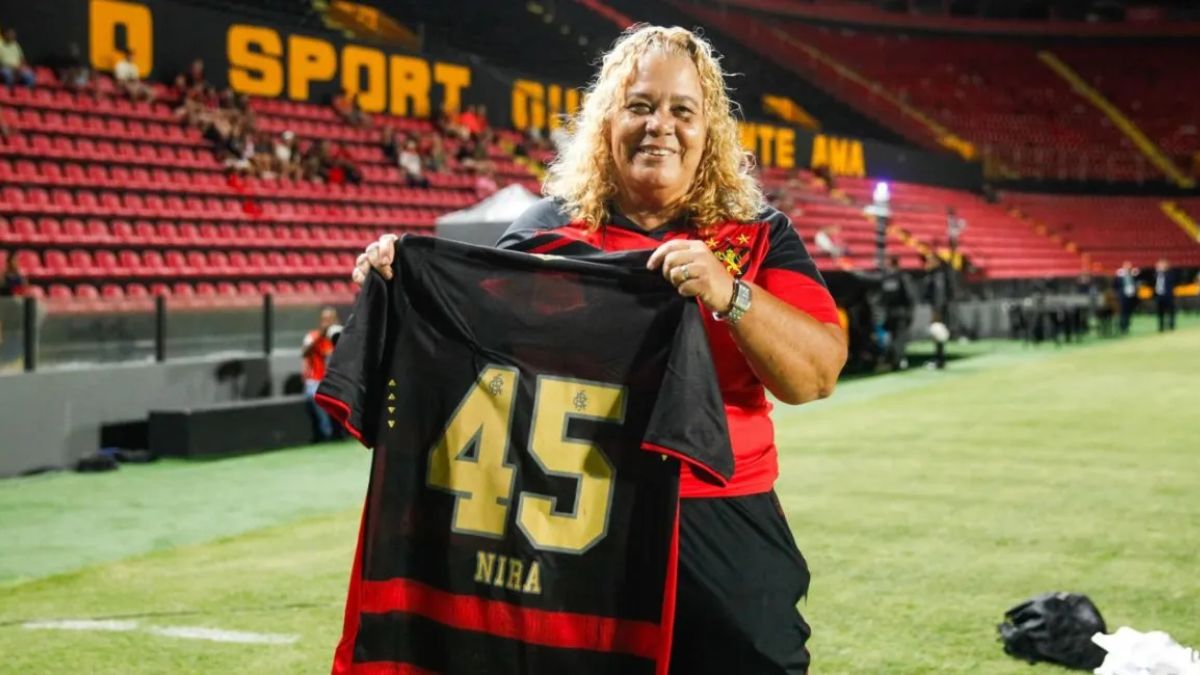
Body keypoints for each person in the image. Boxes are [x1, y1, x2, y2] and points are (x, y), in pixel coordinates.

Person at [351, 25, 847, 674]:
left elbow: (815, 374)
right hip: (574, 522)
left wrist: (730, 292)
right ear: (606, 120)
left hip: (717, 511)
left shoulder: (756, 237)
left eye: (682, 110)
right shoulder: (544, 235)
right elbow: (469, 356)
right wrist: (399, 285)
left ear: (710, 131)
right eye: (639, 105)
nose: (659, 126)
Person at [302, 307, 340, 442]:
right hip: (316, 380)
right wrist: (320, 336)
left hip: (336, 379)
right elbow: (304, 353)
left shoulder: (339, 336)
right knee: (314, 394)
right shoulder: (312, 336)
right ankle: (327, 433)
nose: (328, 323)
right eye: (325, 320)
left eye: (331, 320)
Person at [880, 255, 917, 369]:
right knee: (898, 337)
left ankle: (896, 360)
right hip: (896, 312)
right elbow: (910, 297)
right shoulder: (899, 277)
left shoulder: (891, 278)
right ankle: (897, 361)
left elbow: (909, 296)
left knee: (896, 337)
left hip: (895, 311)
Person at [1152, 258, 1177, 332]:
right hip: (1159, 296)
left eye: (1162, 265)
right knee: (1160, 312)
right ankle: (1161, 327)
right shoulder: (1155, 274)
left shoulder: (1170, 274)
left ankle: (1171, 325)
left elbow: (1174, 283)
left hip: (1168, 296)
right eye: (1159, 265)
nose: (1160, 266)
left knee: (1171, 311)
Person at [1115, 260, 1139, 335]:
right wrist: (1118, 294)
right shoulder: (1119, 276)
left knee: (1129, 312)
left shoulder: (1133, 275)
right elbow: (1115, 286)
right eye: (1126, 266)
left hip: (1132, 296)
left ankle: (1127, 326)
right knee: (1123, 312)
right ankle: (1122, 327)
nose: (1128, 267)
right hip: (1123, 296)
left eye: (1129, 266)